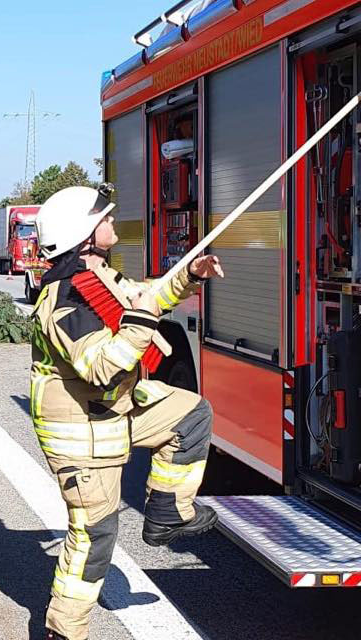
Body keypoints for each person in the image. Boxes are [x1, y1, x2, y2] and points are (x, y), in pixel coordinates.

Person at [31, 184, 224, 640]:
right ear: (83, 234)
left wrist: (189, 277)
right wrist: (140, 322)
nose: (112, 222)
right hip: (81, 430)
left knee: (190, 413)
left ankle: (167, 513)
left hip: (113, 409)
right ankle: (65, 629)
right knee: (93, 539)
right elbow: (99, 367)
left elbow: (146, 296)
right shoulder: (66, 298)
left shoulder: (98, 279)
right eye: (105, 218)